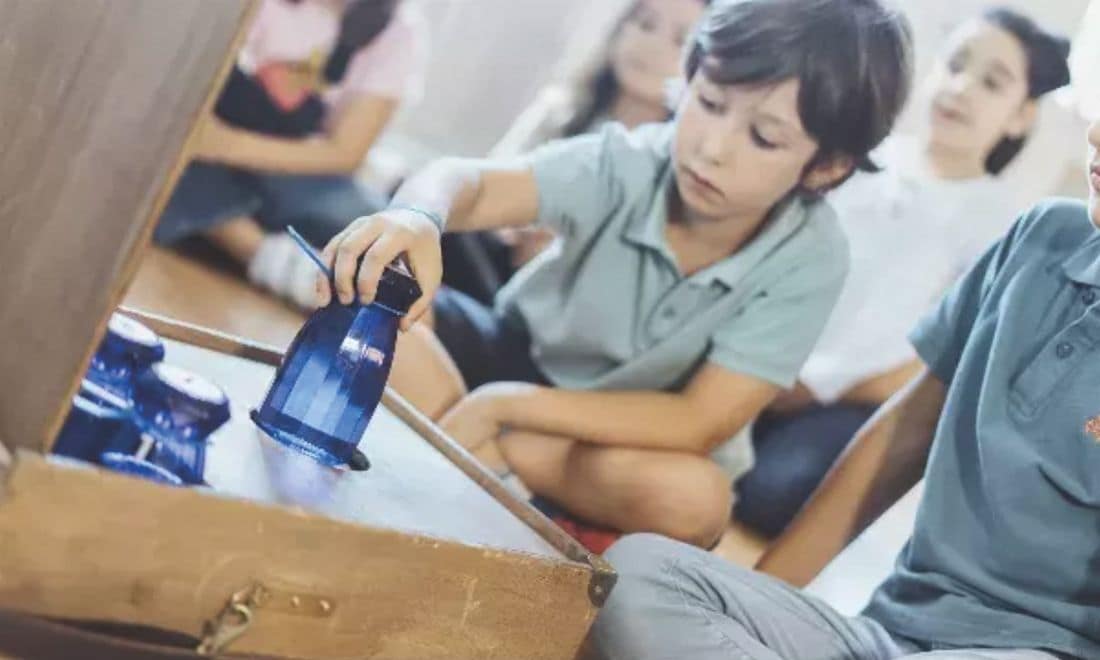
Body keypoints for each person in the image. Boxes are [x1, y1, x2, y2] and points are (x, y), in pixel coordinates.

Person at [316, 0, 914, 551]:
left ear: (827, 167)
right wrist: (417, 215)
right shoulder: (626, 160)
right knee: (362, 307)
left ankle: (478, 452)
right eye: (707, 103)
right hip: (515, 358)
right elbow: (463, 181)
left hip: (627, 433)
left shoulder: (812, 257)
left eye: (763, 137)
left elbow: (699, 420)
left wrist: (503, 408)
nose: (712, 148)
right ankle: (505, 478)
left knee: (698, 500)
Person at [586, 118, 1100, 660]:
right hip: (884, 635)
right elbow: (904, 432)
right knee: (640, 572)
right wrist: (768, 602)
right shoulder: (1039, 237)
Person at [735, 7, 1072, 538]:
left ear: (1020, 115)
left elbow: (947, 358)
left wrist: (824, 387)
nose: (961, 88)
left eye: (992, 82)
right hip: (765, 360)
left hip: (853, 403)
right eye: (955, 64)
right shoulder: (858, 158)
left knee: (771, 493)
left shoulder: (1000, 223)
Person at [154, 0, 426, 309]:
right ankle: (264, 255)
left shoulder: (396, 34)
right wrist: (205, 141)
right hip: (212, 149)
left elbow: (345, 153)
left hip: (300, 169)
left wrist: (223, 145)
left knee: (368, 227)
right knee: (164, 154)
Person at [441, 0, 711, 303]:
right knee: (434, 208)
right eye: (645, 23)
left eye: (679, 40)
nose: (650, 44)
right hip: (497, 255)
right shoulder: (563, 109)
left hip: (561, 304)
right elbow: (486, 183)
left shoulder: (679, 166)